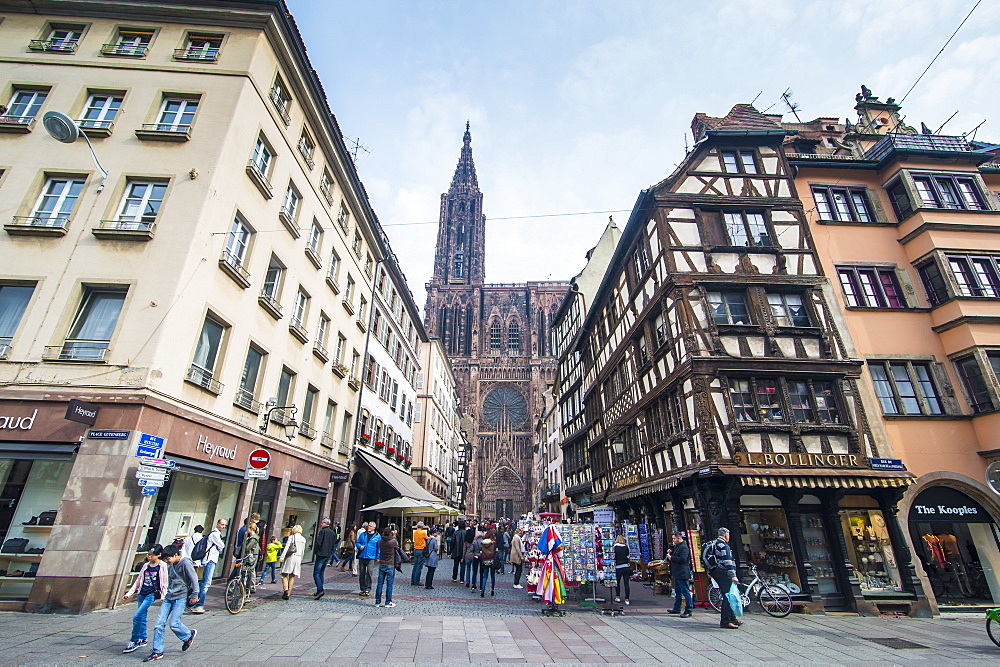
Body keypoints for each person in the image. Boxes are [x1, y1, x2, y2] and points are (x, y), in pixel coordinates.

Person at [142, 544, 198, 662]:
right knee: (158, 624)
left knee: (174, 623)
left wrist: (195, 594)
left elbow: (194, 578)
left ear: (176, 555)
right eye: (165, 559)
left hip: (181, 597)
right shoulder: (170, 566)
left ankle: (188, 635)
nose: (167, 561)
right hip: (169, 597)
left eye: (168, 559)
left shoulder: (185, 563)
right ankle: (157, 651)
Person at [121, 544, 167, 654]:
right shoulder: (146, 565)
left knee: (137, 616)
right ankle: (143, 638)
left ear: (159, 555)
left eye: (152, 555)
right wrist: (130, 593)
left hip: (151, 594)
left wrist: (163, 596)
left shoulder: (162, 566)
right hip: (142, 592)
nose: (149, 557)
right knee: (142, 616)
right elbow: (138, 580)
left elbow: (165, 582)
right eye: (148, 555)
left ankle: (134, 639)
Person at [706, 527, 740, 629]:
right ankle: (725, 621)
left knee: (728, 594)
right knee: (728, 596)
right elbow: (727, 561)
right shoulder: (723, 545)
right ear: (726, 535)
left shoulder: (715, 543)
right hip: (723, 572)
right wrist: (733, 575)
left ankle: (732, 618)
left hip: (716, 571)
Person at [191, 518, 227, 613]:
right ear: (217, 524)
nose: (223, 527)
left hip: (210, 559)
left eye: (224, 525)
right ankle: (198, 604)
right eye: (222, 524)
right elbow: (222, 546)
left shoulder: (216, 534)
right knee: (206, 582)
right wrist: (219, 546)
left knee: (204, 581)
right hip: (210, 559)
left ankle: (194, 599)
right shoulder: (215, 534)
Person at [667, 531, 693, 617]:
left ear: (679, 538)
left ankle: (688, 610)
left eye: (674, 538)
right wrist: (671, 552)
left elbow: (683, 559)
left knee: (685, 591)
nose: (673, 540)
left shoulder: (684, 547)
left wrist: (672, 558)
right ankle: (677, 608)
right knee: (677, 592)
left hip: (682, 573)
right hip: (677, 573)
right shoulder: (678, 546)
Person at [278, 525, 306, 600]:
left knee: (284, 574)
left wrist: (282, 557)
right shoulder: (303, 539)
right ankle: (289, 593)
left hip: (290, 557)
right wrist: (301, 560)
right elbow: (303, 551)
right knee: (292, 576)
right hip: (298, 558)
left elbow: (287, 548)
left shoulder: (292, 537)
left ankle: (285, 590)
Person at [313, 518, 336, 599]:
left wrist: (315, 551)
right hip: (327, 554)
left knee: (316, 573)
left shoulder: (323, 531)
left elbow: (318, 543)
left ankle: (320, 589)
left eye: (322, 522)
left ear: (326, 523)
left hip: (321, 553)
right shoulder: (332, 532)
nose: (321, 524)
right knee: (321, 572)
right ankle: (319, 589)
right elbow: (334, 544)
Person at [374, 527, 397, 608]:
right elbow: (396, 544)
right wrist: (394, 535)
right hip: (390, 564)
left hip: (382, 564)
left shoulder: (380, 541)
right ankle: (388, 602)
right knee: (389, 584)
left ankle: (377, 602)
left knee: (380, 584)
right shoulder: (392, 542)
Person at [355, 521, 379, 596]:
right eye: (368, 526)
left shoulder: (377, 536)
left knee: (369, 572)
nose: (369, 527)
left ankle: (368, 588)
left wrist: (378, 556)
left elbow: (379, 548)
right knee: (361, 573)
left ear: (374, 528)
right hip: (362, 556)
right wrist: (359, 546)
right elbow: (357, 542)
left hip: (371, 557)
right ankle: (362, 589)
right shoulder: (363, 534)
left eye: (371, 526)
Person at [613, 534, 631, 605]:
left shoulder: (615, 547)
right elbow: (627, 555)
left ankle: (618, 596)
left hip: (618, 567)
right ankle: (627, 599)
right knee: (626, 583)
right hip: (626, 566)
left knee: (617, 582)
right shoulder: (626, 547)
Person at [479, 529, 497, 597]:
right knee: (492, 576)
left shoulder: (483, 543)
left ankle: (483, 589)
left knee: (485, 576)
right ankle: (492, 590)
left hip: (485, 560)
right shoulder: (493, 543)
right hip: (492, 560)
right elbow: (495, 552)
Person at [410, 521, 428, 586]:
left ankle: (412, 580)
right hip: (421, 549)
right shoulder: (423, 533)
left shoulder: (415, 532)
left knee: (415, 565)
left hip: (415, 549)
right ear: (422, 526)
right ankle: (416, 581)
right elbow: (427, 539)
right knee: (419, 566)